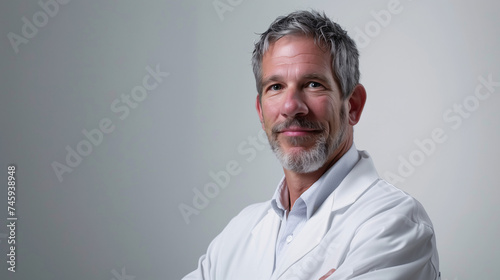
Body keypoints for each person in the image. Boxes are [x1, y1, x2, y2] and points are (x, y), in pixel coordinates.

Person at [182, 10, 439, 280]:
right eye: (276, 87)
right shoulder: (238, 233)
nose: (291, 107)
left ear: (352, 105)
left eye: (313, 84)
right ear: (260, 112)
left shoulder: (395, 223)